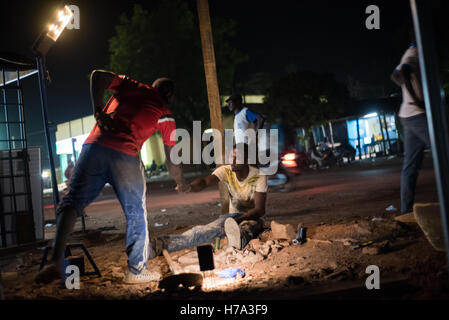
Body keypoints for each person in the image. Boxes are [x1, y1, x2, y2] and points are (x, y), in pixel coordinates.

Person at [35, 70, 190, 284]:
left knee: (72, 201)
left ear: (152, 86)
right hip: (125, 155)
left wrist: (98, 110)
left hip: (94, 146)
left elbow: (97, 75)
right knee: (136, 211)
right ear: (170, 95)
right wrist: (181, 182)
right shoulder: (165, 113)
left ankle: (55, 260)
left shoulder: (132, 86)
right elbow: (172, 159)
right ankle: (136, 272)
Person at [149, 143, 267, 256]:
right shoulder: (226, 171)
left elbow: (259, 210)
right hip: (232, 217)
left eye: (238, 157)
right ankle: (159, 245)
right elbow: (204, 182)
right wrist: (190, 187)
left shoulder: (259, 176)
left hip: (253, 217)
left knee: (246, 229)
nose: (233, 160)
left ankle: (237, 239)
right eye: (232, 156)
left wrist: (239, 220)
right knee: (202, 231)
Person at [391, 35, 430, 216]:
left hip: (409, 115)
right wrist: (417, 101)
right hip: (417, 115)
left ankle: (406, 210)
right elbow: (398, 75)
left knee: (410, 166)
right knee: (443, 152)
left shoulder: (417, 54)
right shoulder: (413, 54)